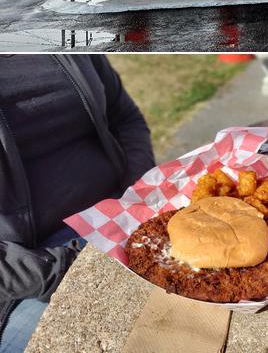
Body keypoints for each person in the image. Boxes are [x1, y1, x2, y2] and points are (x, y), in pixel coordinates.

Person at [0, 55, 155, 353]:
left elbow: (124, 117)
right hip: (31, 275)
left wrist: (138, 198)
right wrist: (74, 267)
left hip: (126, 217)